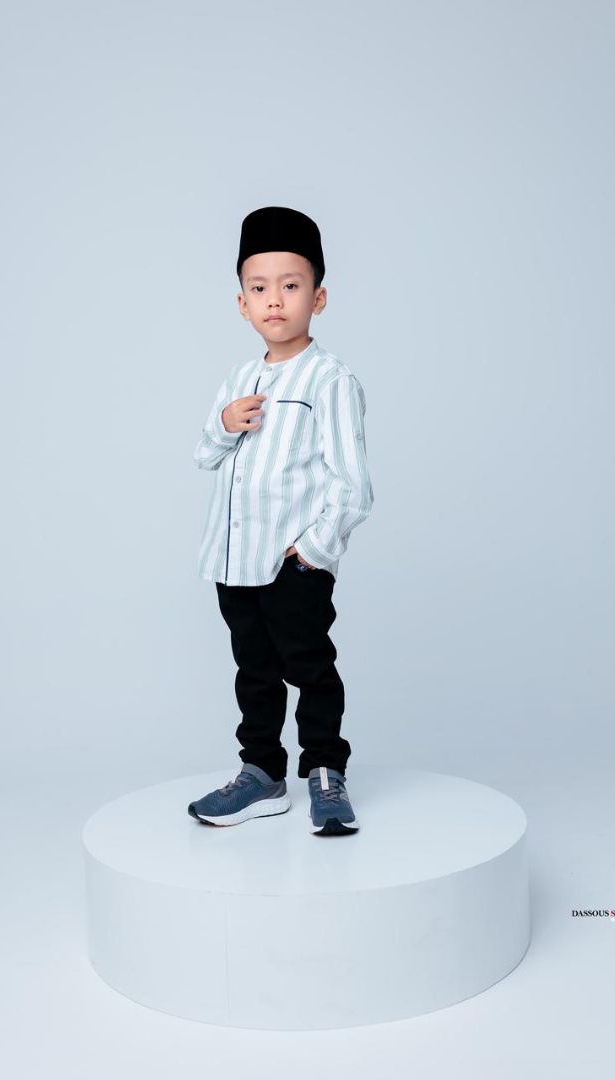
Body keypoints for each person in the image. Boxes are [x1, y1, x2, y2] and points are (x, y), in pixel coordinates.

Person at [188, 206, 374, 836]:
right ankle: (262, 774)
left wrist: (311, 552)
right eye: (260, 287)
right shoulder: (239, 378)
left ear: (318, 297)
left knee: (311, 669)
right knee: (255, 673)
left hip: (291, 565)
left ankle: (325, 772)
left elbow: (353, 485)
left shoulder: (331, 379)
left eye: (291, 285)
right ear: (242, 303)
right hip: (232, 562)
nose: (275, 300)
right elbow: (204, 455)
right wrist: (224, 424)